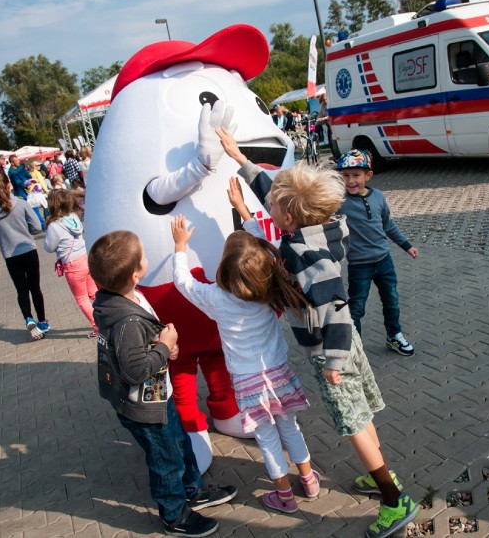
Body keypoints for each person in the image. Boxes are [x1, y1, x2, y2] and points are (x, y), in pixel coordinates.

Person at [218, 128, 419, 538]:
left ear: (287, 218)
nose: (268, 208)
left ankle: (394, 502)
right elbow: (276, 191)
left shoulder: (307, 254)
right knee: (362, 419)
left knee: (354, 424)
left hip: (333, 350)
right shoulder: (320, 226)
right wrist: (240, 158)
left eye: (271, 208)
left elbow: (340, 311)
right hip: (343, 348)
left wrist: (334, 362)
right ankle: (382, 474)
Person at [88, 230, 237, 537]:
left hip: (158, 394)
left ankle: (193, 489)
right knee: (165, 458)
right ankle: (174, 515)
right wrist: (164, 349)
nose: (147, 258)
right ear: (135, 273)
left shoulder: (125, 297)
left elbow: (143, 350)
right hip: (144, 404)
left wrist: (162, 345)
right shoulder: (126, 320)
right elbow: (135, 370)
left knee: (180, 442)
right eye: (143, 255)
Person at [171, 211, 319, 513]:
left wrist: (180, 247)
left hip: (247, 381)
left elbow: (182, 282)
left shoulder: (216, 297)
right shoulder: (268, 287)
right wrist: (245, 214)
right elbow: (269, 249)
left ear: (224, 267)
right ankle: (309, 481)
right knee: (290, 428)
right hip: (278, 373)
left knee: (266, 438)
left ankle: (284, 496)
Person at [335, 149, 419, 356]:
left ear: (368, 175)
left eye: (356, 175)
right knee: (356, 308)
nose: (351, 180)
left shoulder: (378, 197)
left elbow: (388, 225)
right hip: (359, 265)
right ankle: (355, 347)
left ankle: (394, 335)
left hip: (384, 261)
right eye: (345, 175)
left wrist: (406, 245)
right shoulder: (338, 202)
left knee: (391, 300)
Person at [0, 170, 48, 340]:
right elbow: (37, 226)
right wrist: (25, 231)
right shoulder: (21, 203)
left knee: (21, 289)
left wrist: (2, 234)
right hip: (27, 249)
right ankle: (42, 321)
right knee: (35, 287)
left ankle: (28, 318)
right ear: (8, 184)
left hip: (10, 254)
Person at [43, 189, 98, 338]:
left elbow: (49, 247)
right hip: (85, 258)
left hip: (73, 265)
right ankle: (109, 317)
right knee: (94, 293)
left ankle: (98, 326)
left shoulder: (55, 226)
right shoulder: (74, 217)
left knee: (82, 298)